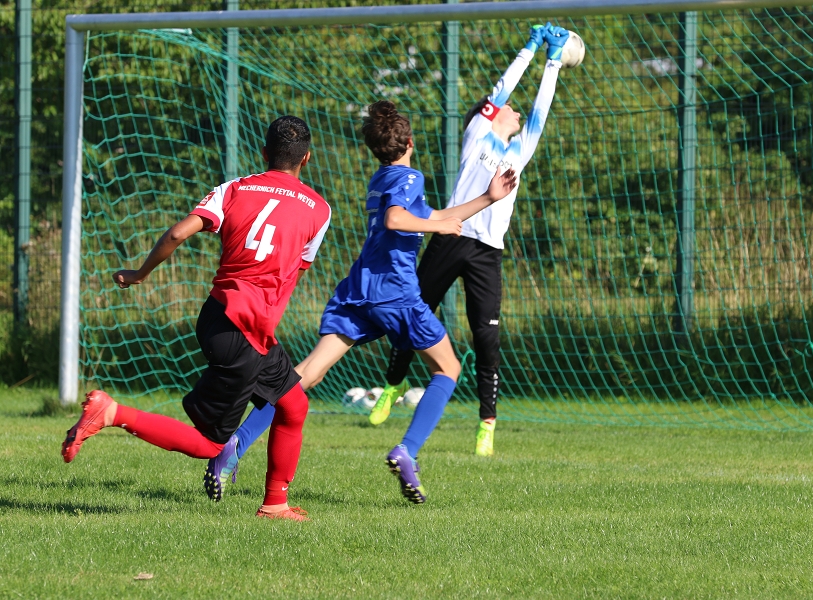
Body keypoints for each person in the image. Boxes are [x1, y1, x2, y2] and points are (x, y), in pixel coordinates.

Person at [205, 100, 517, 504]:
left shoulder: (382, 177)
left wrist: (487, 198)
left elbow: (433, 213)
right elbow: (396, 219)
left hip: (359, 289)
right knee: (448, 368)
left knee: (306, 374)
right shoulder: (410, 177)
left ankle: (235, 444)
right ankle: (407, 451)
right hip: (394, 290)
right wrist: (436, 226)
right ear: (410, 141)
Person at [60, 116, 332, 522]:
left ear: (263, 153)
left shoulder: (234, 189)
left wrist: (139, 273)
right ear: (306, 158)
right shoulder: (319, 209)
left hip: (222, 317)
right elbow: (298, 265)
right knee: (209, 445)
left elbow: (176, 234)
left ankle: (275, 504)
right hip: (244, 330)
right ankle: (111, 413)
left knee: (293, 404)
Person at [366, 23, 570, 457]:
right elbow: (502, 89)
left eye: (515, 109)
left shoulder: (520, 151)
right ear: (491, 114)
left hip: (487, 251)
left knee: (486, 337)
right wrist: (530, 47)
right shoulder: (477, 134)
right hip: (451, 235)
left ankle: (486, 423)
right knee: (412, 310)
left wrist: (553, 62)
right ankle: (393, 384)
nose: (515, 110)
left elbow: (541, 109)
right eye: (508, 107)